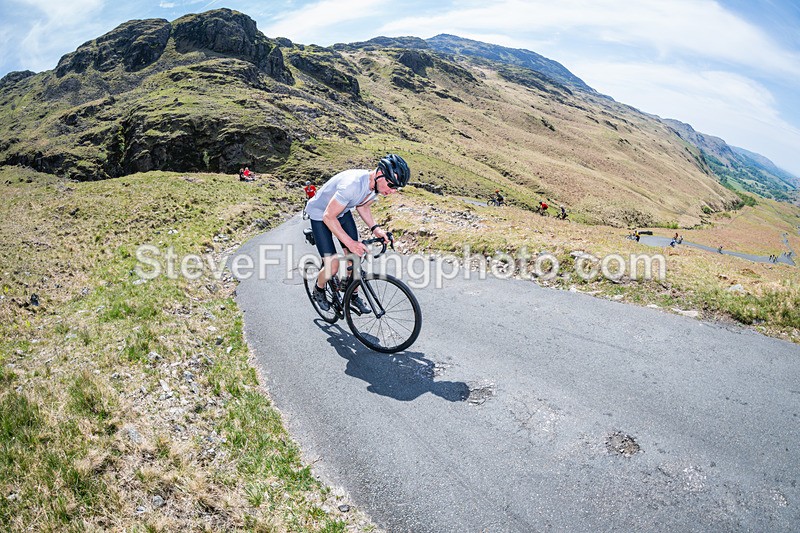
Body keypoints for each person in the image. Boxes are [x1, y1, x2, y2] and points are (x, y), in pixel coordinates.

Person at [305, 154, 410, 313]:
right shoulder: (352, 185)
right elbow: (328, 216)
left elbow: (363, 206)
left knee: (354, 258)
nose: (393, 191)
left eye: (396, 188)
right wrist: (351, 243)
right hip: (321, 215)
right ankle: (318, 290)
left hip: (342, 211)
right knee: (333, 265)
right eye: (391, 185)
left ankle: (351, 294)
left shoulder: (374, 187)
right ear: (380, 174)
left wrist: (376, 229)